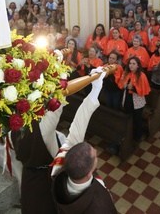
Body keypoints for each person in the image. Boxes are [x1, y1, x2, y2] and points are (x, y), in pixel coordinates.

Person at [12, 69, 106, 214]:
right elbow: (59, 102)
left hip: (29, 181)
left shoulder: (12, 125)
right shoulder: (97, 201)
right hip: (43, 180)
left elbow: (75, 129)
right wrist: (95, 89)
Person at [52, 141, 118, 213]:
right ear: (89, 173)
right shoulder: (101, 205)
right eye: (95, 156)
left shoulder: (57, 177)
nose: (96, 150)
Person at [117, 57, 151, 141]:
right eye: (130, 63)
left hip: (137, 102)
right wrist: (124, 85)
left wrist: (133, 88)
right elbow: (121, 84)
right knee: (128, 117)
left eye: (133, 64)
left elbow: (144, 90)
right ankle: (128, 135)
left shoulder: (142, 76)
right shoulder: (126, 73)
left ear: (138, 66)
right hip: (127, 99)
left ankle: (137, 137)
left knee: (137, 120)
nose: (131, 65)